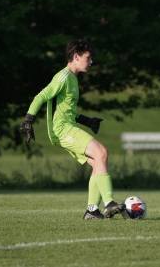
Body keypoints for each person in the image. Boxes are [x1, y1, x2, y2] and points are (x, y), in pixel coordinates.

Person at [19, 39, 125, 220]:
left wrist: (87, 121)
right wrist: (28, 120)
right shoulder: (63, 77)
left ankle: (92, 210)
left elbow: (69, 112)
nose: (91, 62)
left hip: (68, 126)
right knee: (102, 152)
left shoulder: (73, 80)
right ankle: (109, 204)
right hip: (62, 130)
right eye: (88, 58)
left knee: (97, 163)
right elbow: (41, 96)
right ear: (76, 57)